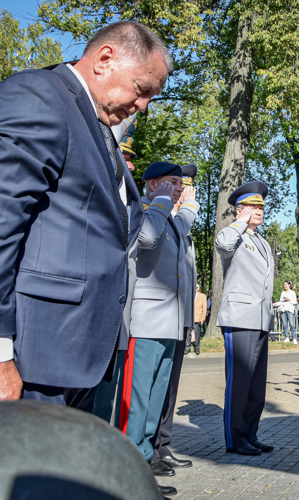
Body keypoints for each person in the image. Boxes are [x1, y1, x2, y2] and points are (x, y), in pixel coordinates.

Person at [0, 21, 170, 406]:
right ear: (105, 59)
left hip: (77, 357)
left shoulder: (96, 126)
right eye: (142, 90)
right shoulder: (38, 97)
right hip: (31, 358)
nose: (143, 107)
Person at [114, 162, 195, 486]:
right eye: (171, 182)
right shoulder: (145, 210)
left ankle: (146, 457)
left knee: (156, 396)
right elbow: (145, 238)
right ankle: (130, 463)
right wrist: (161, 200)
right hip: (146, 323)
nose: (178, 188)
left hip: (169, 323)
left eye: (179, 183)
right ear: (151, 185)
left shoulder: (170, 218)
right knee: (137, 399)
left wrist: (184, 203)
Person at [215, 181, 275, 456]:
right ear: (240, 210)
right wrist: (239, 222)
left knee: (256, 385)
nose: (260, 211)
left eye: (261, 206)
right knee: (239, 383)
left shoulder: (261, 240)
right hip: (239, 318)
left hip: (260, 319)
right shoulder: (234, 234)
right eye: (253, 206)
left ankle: (250, 433)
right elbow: (223, 244)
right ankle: (235, 438)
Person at [148, 163, 200, 479]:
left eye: (185, 189)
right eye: (178, 186)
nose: (181, 193)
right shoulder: (160, 218)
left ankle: (162, 445)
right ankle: (150, 448)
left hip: (178, 317)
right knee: (154, 387)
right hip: (158, 317)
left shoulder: (181, 229)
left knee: (169, 388)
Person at [192, 284, 208, 355]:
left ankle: (197, 348)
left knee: (197, 334)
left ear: (198, 288)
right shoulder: (189, 295)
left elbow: (204, 308)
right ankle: (187, 347)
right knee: (188, 334)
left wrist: (202, 318)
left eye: (195, 288)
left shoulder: (202, 296)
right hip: (190, 318)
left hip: (198, 318)